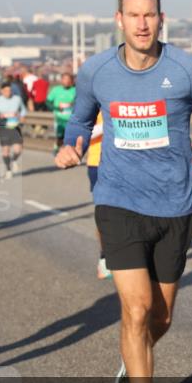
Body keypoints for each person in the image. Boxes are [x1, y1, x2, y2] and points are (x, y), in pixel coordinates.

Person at [55, 0, 192, 383]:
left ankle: (134, 360)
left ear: (161, 18)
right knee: (134, 309)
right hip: (117, 200)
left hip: (174, 204)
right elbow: (79, 119)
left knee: (161, 316)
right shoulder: (96, 71)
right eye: (132, 15)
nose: (141, 24)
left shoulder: (185, 68)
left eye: (149, 15)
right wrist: (71, 143)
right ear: (118, 19)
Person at [86, 112, 110, 279]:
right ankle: (105, 256)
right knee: (105, 213)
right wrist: (105, 126)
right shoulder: (93, 99)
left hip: (127, 163)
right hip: (97, 163)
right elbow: (83, 131)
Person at [0, 81, 27, 178]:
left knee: (18, 149)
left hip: (15, 127)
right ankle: (8, 170)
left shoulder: (17, 99)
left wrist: (22, 117)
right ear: (2, 91)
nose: (8, 92)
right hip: (3, 128)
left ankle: (14, 160)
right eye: (6, 90)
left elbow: (23, 110)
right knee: (6, 150)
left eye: (9, 90)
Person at [46, 73, 77, 152]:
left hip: (72, 119)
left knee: (71, 138)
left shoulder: (75, 90)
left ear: (72, 81)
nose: (66, 81)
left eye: (68, 79)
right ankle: (57, 147)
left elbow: (80, 102)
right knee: (60, 137)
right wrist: (55, 108)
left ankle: (67, 154)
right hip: (59, 118)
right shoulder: (56, 90)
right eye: (64, 79)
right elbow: (48, 102)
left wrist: (73, 104)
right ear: (61, 80)